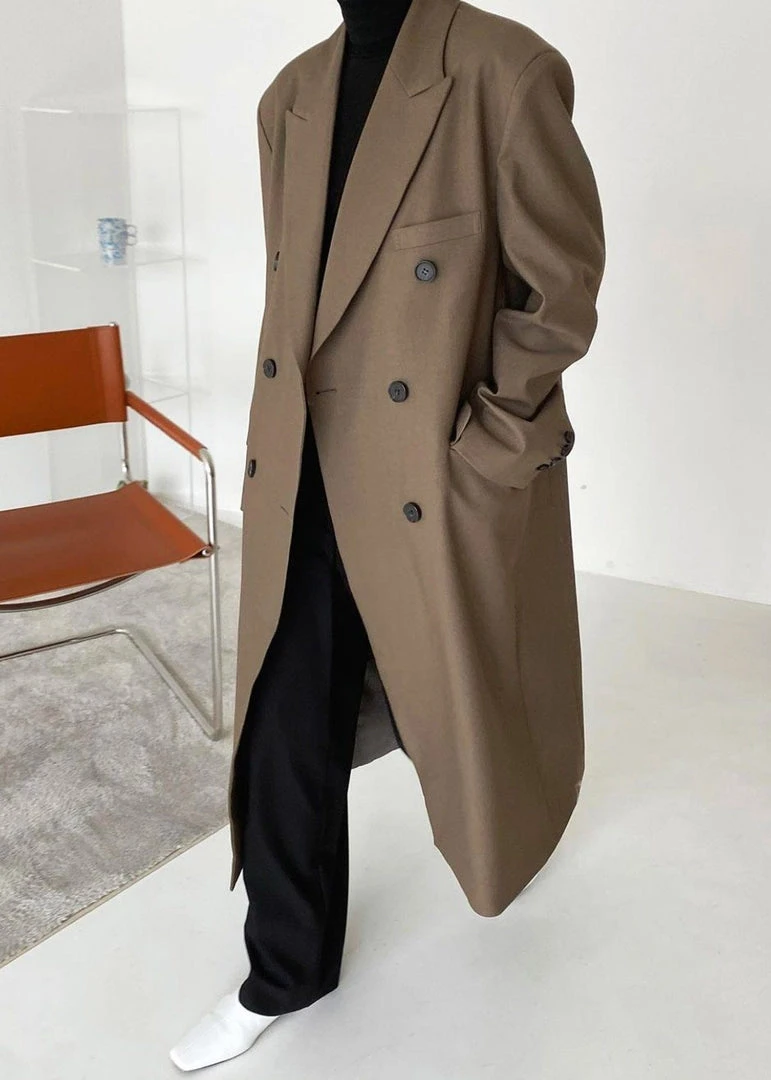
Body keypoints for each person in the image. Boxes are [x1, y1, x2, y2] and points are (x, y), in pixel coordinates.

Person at [170, 0, 605, 1070]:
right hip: (304, 468)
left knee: (468, 698)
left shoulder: (504, 72)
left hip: (425, 473)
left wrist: (491, 443)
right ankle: (283, 969)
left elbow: (559, 290)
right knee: (282, 717)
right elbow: (301, 302)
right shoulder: (289, 98)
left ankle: (517, 839)